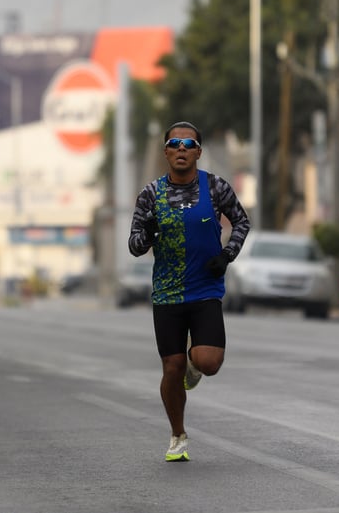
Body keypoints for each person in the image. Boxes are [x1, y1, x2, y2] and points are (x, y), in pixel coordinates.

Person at [128, 121, 251, 462]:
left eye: (189, 144)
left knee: (208, 362)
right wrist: (149, 232)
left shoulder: (215, 187)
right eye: (175, 143)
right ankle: (177, 435)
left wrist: (227, 255)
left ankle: (194, 368)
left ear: (198, 151)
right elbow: (135, 246)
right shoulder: (150, 195)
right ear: (166, 151)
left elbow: (242, 221)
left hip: (205, 289)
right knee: (171, 368)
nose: (182, 148)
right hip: (167, 293)